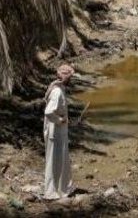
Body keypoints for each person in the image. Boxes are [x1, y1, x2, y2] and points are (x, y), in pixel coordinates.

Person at [44, 64, 74, 200]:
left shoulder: (59, 88)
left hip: (58, 130)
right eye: (70, 77)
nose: (71, 79)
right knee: (54, 161)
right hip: (55, 132)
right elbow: (49, 112)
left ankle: (63, 188)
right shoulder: (57, 91)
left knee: (61, 160)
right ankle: (51, 192)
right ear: (65, 77)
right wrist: (60, 120)